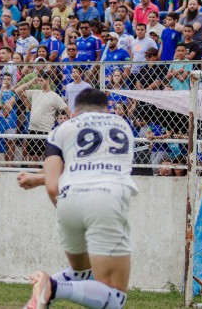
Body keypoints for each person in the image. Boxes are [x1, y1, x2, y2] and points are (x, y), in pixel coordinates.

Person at [23, 88, 138, 309]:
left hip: (68, 201)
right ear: (107, 109)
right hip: (107, 199)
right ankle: (52, 288)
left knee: (81, 271)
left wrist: (63, 204)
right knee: (114, 297)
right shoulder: (122, 125)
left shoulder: (62, 129)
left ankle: (40, 298)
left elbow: (53, 184)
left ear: (74, 111)